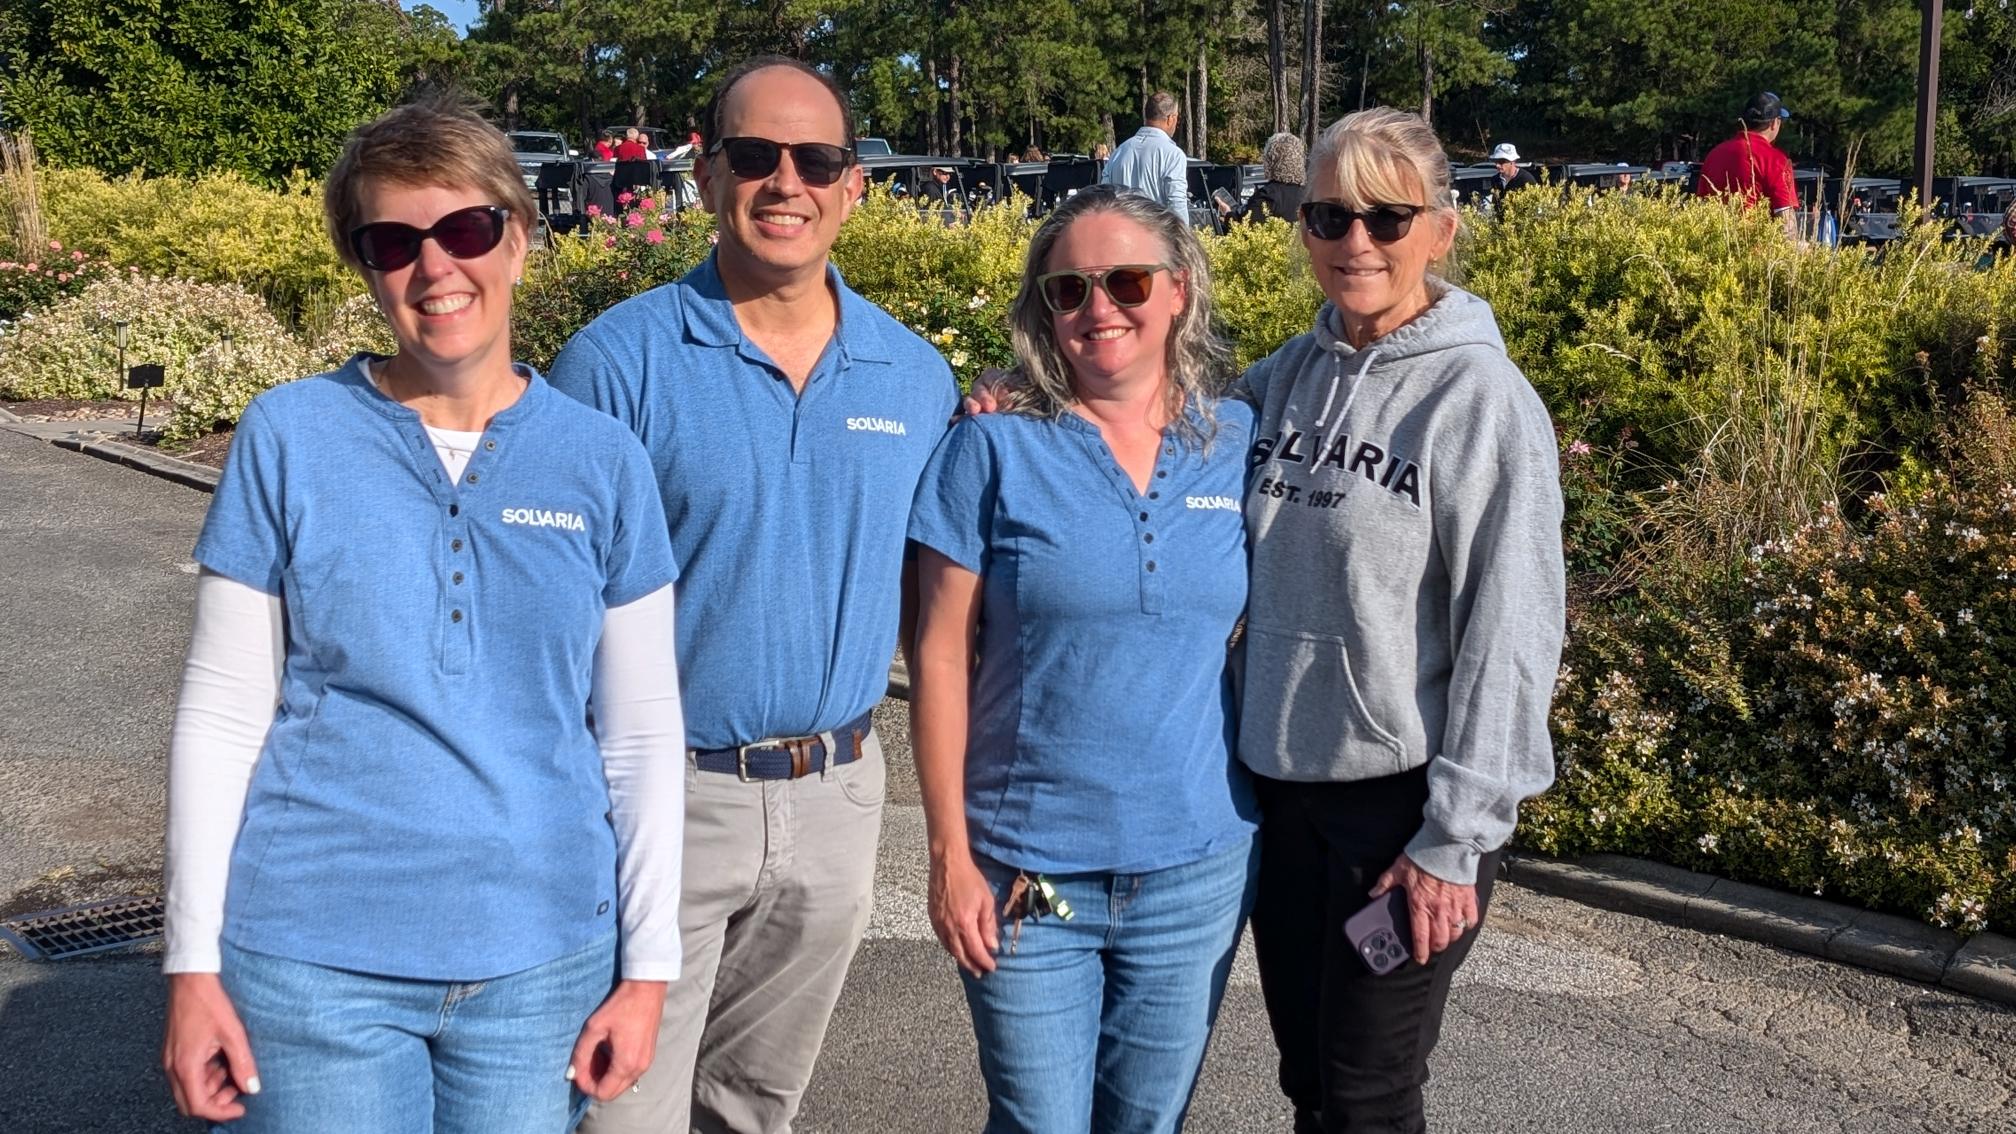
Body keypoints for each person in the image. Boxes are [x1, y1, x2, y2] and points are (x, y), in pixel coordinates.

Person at [159, 95, 684, 1131]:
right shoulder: (289, 436)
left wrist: (649, 968)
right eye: (394, 241)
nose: (435, 267)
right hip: (312, 964)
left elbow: (640, 732)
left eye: (467, 229)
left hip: (543, 965)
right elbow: (222, 717)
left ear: (520, 241)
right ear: (364, 267)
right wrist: (191, 965)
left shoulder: (604, 461)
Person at [551, 56, 961, 1134]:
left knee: (755, 1109)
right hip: (658, 799)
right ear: (704, 173)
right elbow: (545, 613)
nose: (787, 182)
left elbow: (944, 603)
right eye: (755, 155)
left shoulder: (914, 377)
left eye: (817, 158)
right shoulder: (617, 364)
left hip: (837, 794)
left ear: (853, 183)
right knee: (619, 1112)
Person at [1240, 107, 1564, 1133]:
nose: (1356, 244)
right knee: (1311, 1083)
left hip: (1401, 813)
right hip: (1281, 800)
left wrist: (1454, 839)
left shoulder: (1481, 401)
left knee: (1368, 1096)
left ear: (1441, 229)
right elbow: (1151, 422)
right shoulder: (1284, 379)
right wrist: (1020, 395)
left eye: (1387, 218)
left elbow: (1513, 630)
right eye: (1328, 217)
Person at [910, 185, 1259, 1133]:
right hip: (1026, 870)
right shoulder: (990, 445)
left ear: (1178, 292)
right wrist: (947, 855)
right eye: (1070, 290)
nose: (1099, 308)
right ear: (1044, 310)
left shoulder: (1237, 440)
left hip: (1196, 868)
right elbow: (937, 657)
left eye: (1128, 281)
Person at [1696, 92, 1800, 240]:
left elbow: (1701, 209)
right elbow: (1786, 223)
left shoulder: (1714, 155)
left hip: (1716, 249)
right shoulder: (1776, 160)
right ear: (1774, 123)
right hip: (1756, 253)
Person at [1101, 91, 1189, 214]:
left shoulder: (1119, 152)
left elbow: (1104, 197)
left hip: (1120, 229)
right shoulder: (1173, 155)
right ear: (1171, 119)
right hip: (1154, 230)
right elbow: (1177, 203)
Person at [1220, 131, 1307, 225]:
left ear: (1270, 161)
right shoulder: (1308, 196)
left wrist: (1227, 215)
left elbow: (1245, 230)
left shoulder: (1267, 196)